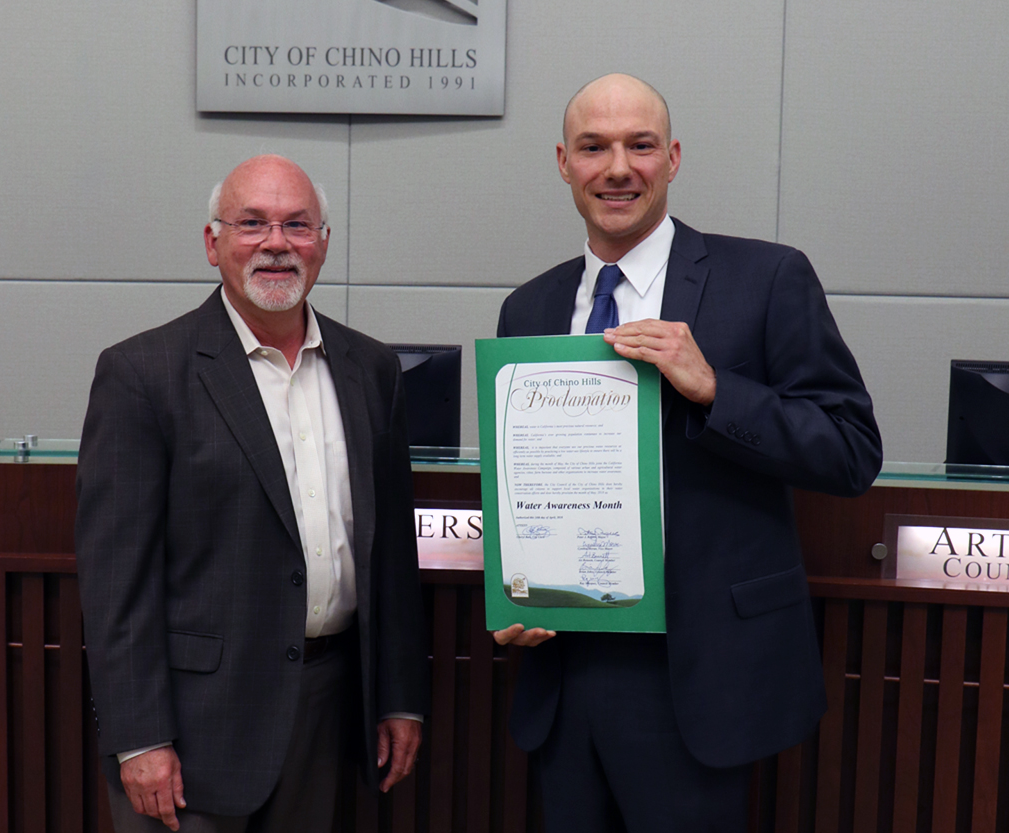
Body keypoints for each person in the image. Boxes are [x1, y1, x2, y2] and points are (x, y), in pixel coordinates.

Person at [493, 74, 882, 830]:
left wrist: (715, 389)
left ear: (671, 158)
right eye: (593, 147)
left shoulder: (767, 278)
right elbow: (522, 479)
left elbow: (851, 450)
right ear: (563, 163)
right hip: (564, 667)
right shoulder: (530, 306)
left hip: (699, 673)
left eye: (639, 145)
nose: (617, 168)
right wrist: (516, 596)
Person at [75, 155, 428, 833]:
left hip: (327, 709)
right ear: (213, 243)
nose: (276, 243)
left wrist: (400, 697)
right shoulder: (142, 374)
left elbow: (391, 556)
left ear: (323, 243)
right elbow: (117, 579)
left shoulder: (371, 369)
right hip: (192, 727)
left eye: (297, 224)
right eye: (252, 223)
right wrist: (140, 736)